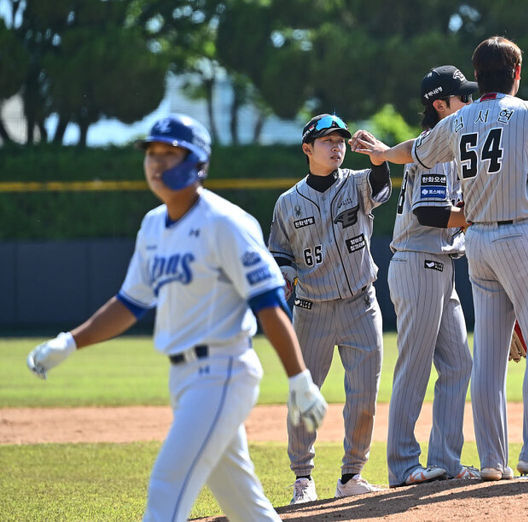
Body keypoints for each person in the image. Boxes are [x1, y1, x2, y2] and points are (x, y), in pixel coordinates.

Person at [25, 114, 328, 521]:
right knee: (244, 503)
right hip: (183, 378)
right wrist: (70, 341)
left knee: (167, 485)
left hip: (223, 372)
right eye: (152, 153)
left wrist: (299, 378)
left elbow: (269, 303)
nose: (156, 162)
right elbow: (129, 304)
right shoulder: (153, 225)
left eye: (169, 153)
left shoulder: (227, 223)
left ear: (197, 162)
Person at [349, 36, 528, 481]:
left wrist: (382, 153)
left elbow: (414, 152)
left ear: (478, 76)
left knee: (488, 356)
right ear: (517, 75)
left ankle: (495, 460)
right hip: (522, 235)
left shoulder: (458, 122)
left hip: (476, 241)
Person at [267, 113, 391, 502]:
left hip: (360, 304)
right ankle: (303, 478)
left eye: (340, 140)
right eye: (327, 141)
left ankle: (351, 475)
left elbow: (381, 189)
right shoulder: (288, 202)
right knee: (305, 395)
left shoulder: (356, 183)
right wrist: (286, 275)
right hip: (311, 310)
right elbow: (278, 252)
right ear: (308, 148)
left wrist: (377, 157)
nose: (336, 146)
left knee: (364, 397)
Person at [384, 65, 478, 487]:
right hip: (418, 258)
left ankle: (446, 459)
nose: (470, 102)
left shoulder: (445, 146)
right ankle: (403, 465)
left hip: (440, 262)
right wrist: (481, 215)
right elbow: (429, 212)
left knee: (458, 364)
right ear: (441, 105)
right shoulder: (436, 148)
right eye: (462, 97)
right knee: (415, 367)